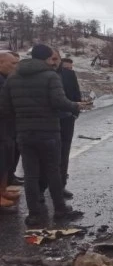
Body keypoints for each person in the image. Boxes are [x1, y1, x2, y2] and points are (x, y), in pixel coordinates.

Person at [0, 44, 83, 226]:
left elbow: (5, 108)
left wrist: (21, 121)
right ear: (46, 58)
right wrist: (76, 105)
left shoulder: (13, 78)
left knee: (30, 174)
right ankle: (60, 210)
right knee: (52, 170)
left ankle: (34, 214)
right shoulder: (50, 76)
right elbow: (59, 101)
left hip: (24, 133)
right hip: (49, 132)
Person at [57, 56, 83, 197]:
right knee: (58, 152)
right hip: (59, 117)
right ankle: (56, 186)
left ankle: (59, 184)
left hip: (67, 117)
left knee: (62, 151)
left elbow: (75, 92)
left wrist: (75, 111)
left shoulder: (68, 75)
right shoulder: (46, 75)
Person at [0, 51, 20, 210]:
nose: (16, 66)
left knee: (6, 160)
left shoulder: (6, 79)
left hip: (7, 128)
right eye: (13, 63)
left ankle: (3, 190)